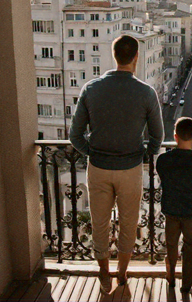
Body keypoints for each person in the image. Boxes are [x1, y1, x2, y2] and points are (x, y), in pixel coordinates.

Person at [70, 35, 164, 294]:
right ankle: (122, 272)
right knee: (128, 221)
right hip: (130, 168)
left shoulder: (91, 88)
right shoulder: (146, 92)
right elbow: (157, 135)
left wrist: (94, 152)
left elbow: (74, 135)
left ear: (114, 56)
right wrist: (146, 156)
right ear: (135, 57)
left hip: (98, 167)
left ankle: (103, 273)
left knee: (99, 221)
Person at [156, 117, 192, 296]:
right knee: (190, 245)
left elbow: (164, 179)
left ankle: (170, 275)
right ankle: (187, 282)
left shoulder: (163, 159)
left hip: (171, 209)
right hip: (191, 211)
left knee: (171, 244)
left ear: (175, 136)